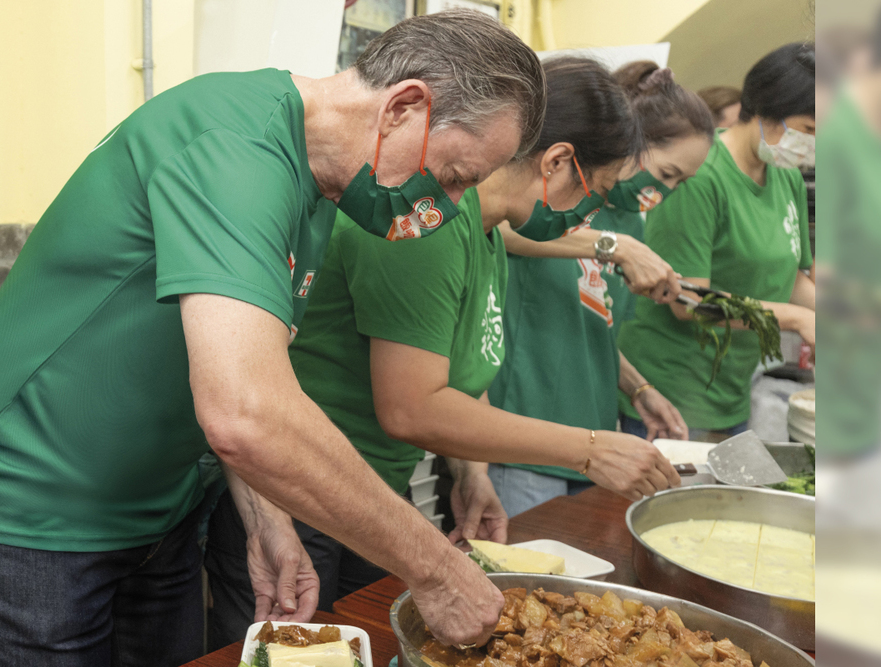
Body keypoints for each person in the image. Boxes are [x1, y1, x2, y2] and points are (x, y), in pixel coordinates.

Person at [0, 11, 548, 666]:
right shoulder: (235, 146)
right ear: (404, 107)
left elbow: (250, 368)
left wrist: (266, 519)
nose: (452, 204)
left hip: (161, 507)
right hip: (34, 504)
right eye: (455, 175)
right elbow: (245, 413)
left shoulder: (324, 187)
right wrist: (435, 568)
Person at [203, 57, 682, 643]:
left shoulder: (490, 231)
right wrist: (587, 450)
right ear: (556, 162)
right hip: (306, 497)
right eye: (594, 194)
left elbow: (462, 366)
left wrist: (471, 473)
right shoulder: (429, 228)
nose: (589, 218)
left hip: (374, 495)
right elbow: (412, 407)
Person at [486, 61, 714, 517]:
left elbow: (595, 323)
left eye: (680, 184)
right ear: (631, 146)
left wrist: (638, 388)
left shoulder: (628, 220)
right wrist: (613, 246)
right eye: (666, 173)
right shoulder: (557, 200)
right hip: (528, 437)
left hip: (593, 440)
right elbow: (505, 229)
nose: (665, 191)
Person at [618, 43, 816, 443]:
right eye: (809, 130)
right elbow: (689, 301)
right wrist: (796, 320)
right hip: (674, 392)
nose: (814, 144)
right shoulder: (698, 176)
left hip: (731, 387)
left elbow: (789, 276)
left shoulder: (785, 175)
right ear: (764, 110)